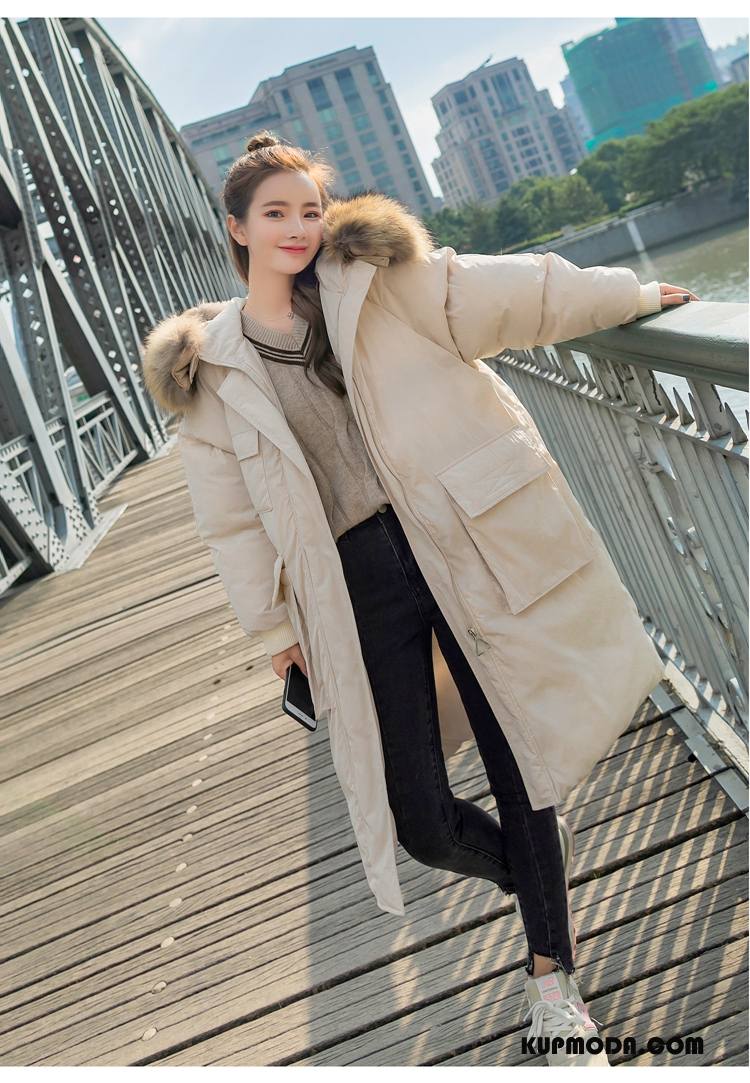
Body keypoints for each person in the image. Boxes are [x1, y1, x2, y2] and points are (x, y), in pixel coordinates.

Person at [142, 130, 699, 1065]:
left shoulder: (378, 285)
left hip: (461, 537)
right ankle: (537, 875)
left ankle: (553, 986)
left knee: (518, 756)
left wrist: (634, 296)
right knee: (421, 818)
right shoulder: (214, 369)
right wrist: (274, 627)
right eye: (275, 213)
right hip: (354, 584)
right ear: (237, 228)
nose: (298, 228)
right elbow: (229, 518)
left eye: (310, 209)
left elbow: (509, 293)